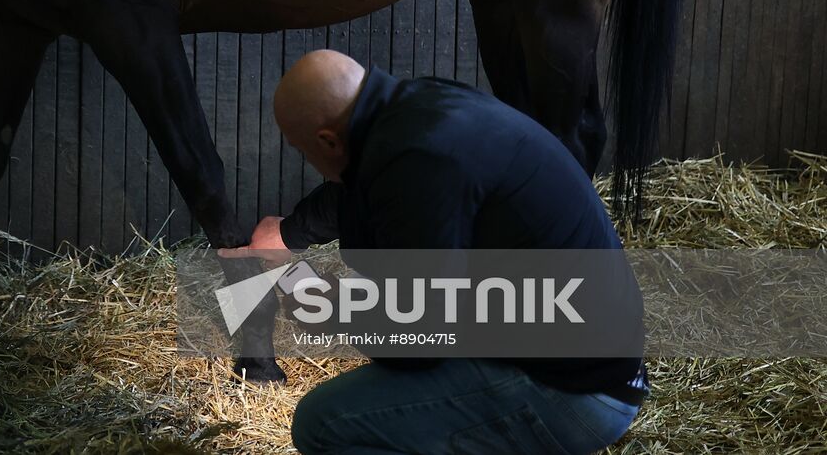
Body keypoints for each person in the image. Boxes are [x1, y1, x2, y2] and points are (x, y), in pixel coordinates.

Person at [221, 49, 646, 455]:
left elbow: (418, 347)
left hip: (576, 393)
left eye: (304, 151)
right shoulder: (415, 110)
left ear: (328, 140)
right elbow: (362, 187)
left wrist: (317, 298)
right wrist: (290, 232)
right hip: (592, 358)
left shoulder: (418, 163)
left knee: (323, 422)